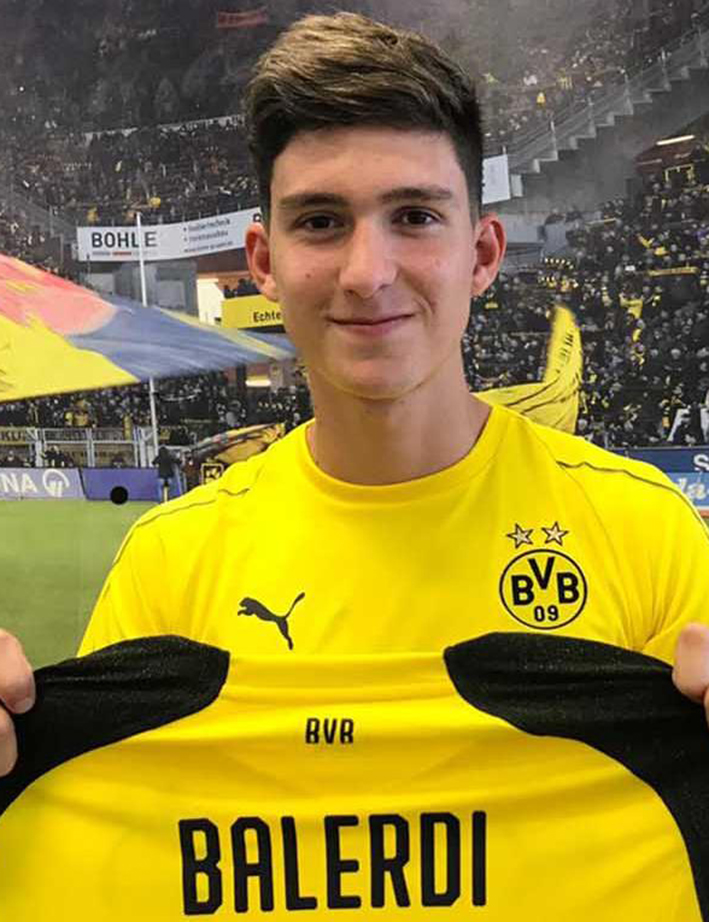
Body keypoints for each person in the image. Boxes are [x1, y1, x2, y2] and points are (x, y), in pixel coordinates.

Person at [2, 11, 709, 779]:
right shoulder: (168, 567)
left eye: (414, 217)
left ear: (480, 255)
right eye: (320, 221)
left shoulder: (647, 536)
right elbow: (111, 828)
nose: (367, 273)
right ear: (263, 264)